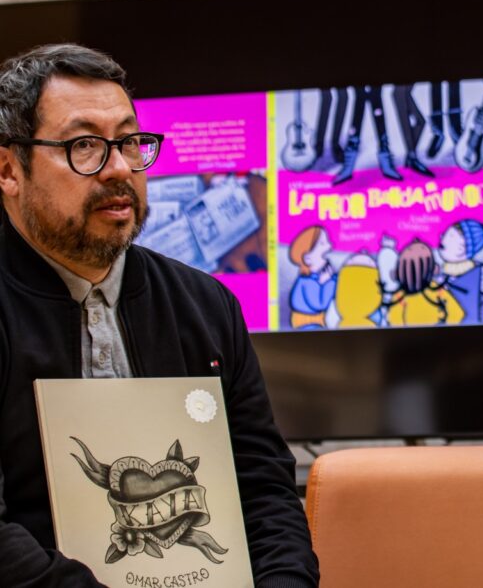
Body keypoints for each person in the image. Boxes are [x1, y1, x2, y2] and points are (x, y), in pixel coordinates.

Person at [0, 44, 319, 586]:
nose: (120, 168)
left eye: (129, 142)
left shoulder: (206, 304)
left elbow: (262, 488)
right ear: (9, 169)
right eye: (85, 146)